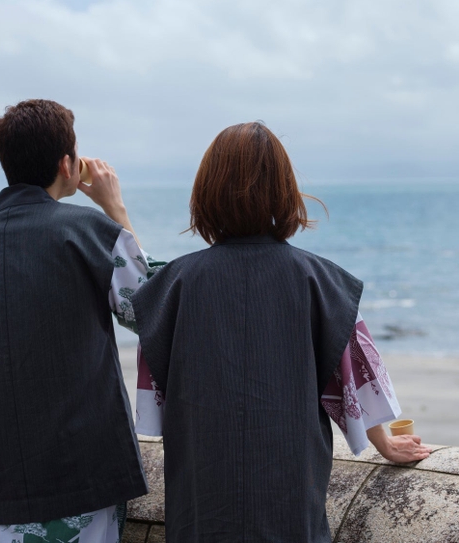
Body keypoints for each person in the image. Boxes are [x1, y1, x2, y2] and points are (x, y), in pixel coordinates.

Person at [130, 121, 432, 542]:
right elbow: (351, 383)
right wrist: (385, 444)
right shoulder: (320, 281)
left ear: (206, 192)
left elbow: (157, 406)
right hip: (289, 497)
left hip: (202, 503)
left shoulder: (172, 287)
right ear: (284, 191)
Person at [0, 99, 160, 543]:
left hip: (2, 476)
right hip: (83, 471)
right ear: (67, 164)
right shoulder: (89, 231)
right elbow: (148, 308)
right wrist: (117, 211)